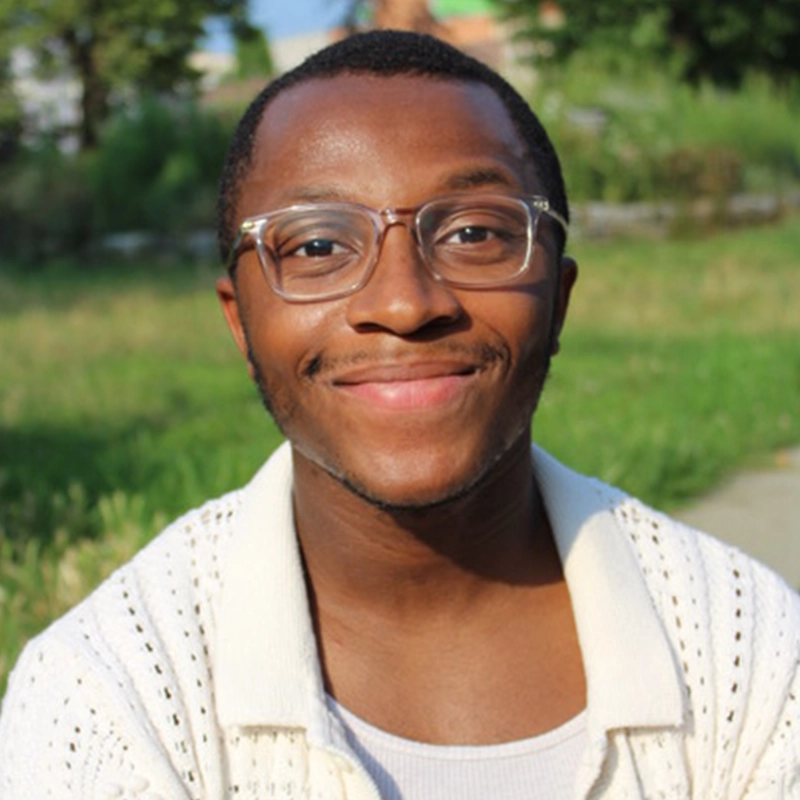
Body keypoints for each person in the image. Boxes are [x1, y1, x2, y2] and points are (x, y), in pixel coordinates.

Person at [0, 30, 798, 800]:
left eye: (475, 232)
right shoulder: (110, 699)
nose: (404, 302)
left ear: (558, 299)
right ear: (240, 323)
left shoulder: (751, 658)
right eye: (317, 246)